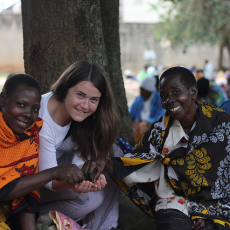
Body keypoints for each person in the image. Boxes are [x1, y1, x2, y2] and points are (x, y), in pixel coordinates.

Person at [83, 66, 230, 230]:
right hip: (173, 202)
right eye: (164, 96)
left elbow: (222, 180)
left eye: (176, 92)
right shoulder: (158, 132)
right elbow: (136, 161)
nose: (169, 100)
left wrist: (205, 212)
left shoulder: (222, 125)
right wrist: (105, 161)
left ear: (193, 92)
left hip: (216, 206)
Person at [38, 61, 120, 230]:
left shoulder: (82, 118)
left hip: (58, 170)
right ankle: (31, 217)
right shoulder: (43, 120)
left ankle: (106, 226)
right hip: (33, 184)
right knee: (90, 199)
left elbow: (79, 163)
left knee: (111, 158)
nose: (85, 105)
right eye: (80, 95)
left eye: (93, 100)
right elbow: (49, 180)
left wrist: (89, 178)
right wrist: (75, 184)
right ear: (65, 89)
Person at [0, 74, 86, 230]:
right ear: (3, 100)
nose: (28, 114)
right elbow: (3, 190)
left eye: (34, 109)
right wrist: (53, 173)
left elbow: (27, 191)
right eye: (21, 104)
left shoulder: (30, 136)